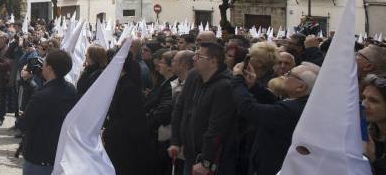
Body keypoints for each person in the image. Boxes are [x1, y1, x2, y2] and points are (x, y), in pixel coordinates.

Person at [232, 60, 319, 175]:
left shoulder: (291, 110)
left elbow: (250, 109)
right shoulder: (301, 103)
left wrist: (238, 80)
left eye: (290, 75)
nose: (284, 76)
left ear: (300, 87)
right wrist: (254, 86)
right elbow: (274, 103)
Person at [169, 42, 237, 175]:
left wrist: (206, 161)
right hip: (190, 154)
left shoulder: (225, 86)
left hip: (210, 161)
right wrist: (175, 141)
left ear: (212, 62)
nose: (194, 59)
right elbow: (180, 107)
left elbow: (217, 127)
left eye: (199, 56)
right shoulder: (194, 76)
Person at [18, 49, 77, 175]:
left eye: (44, 63)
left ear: (49, 68)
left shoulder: (42, 96)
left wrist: (23, 116)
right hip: (59, 154)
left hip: (39, 158)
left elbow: (23, 124)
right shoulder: (71, 90)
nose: (42, 65)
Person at [104, 41, 153, 175]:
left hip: (126, 145)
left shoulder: (128, 88)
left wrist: (107, 132)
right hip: (120, 141)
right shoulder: (123, 84)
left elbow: (128, 119)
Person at [363, 75, 386, 174]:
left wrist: (373, 159)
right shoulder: (367, 130)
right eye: (364, 97)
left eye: (373, 101)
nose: (364, 104)